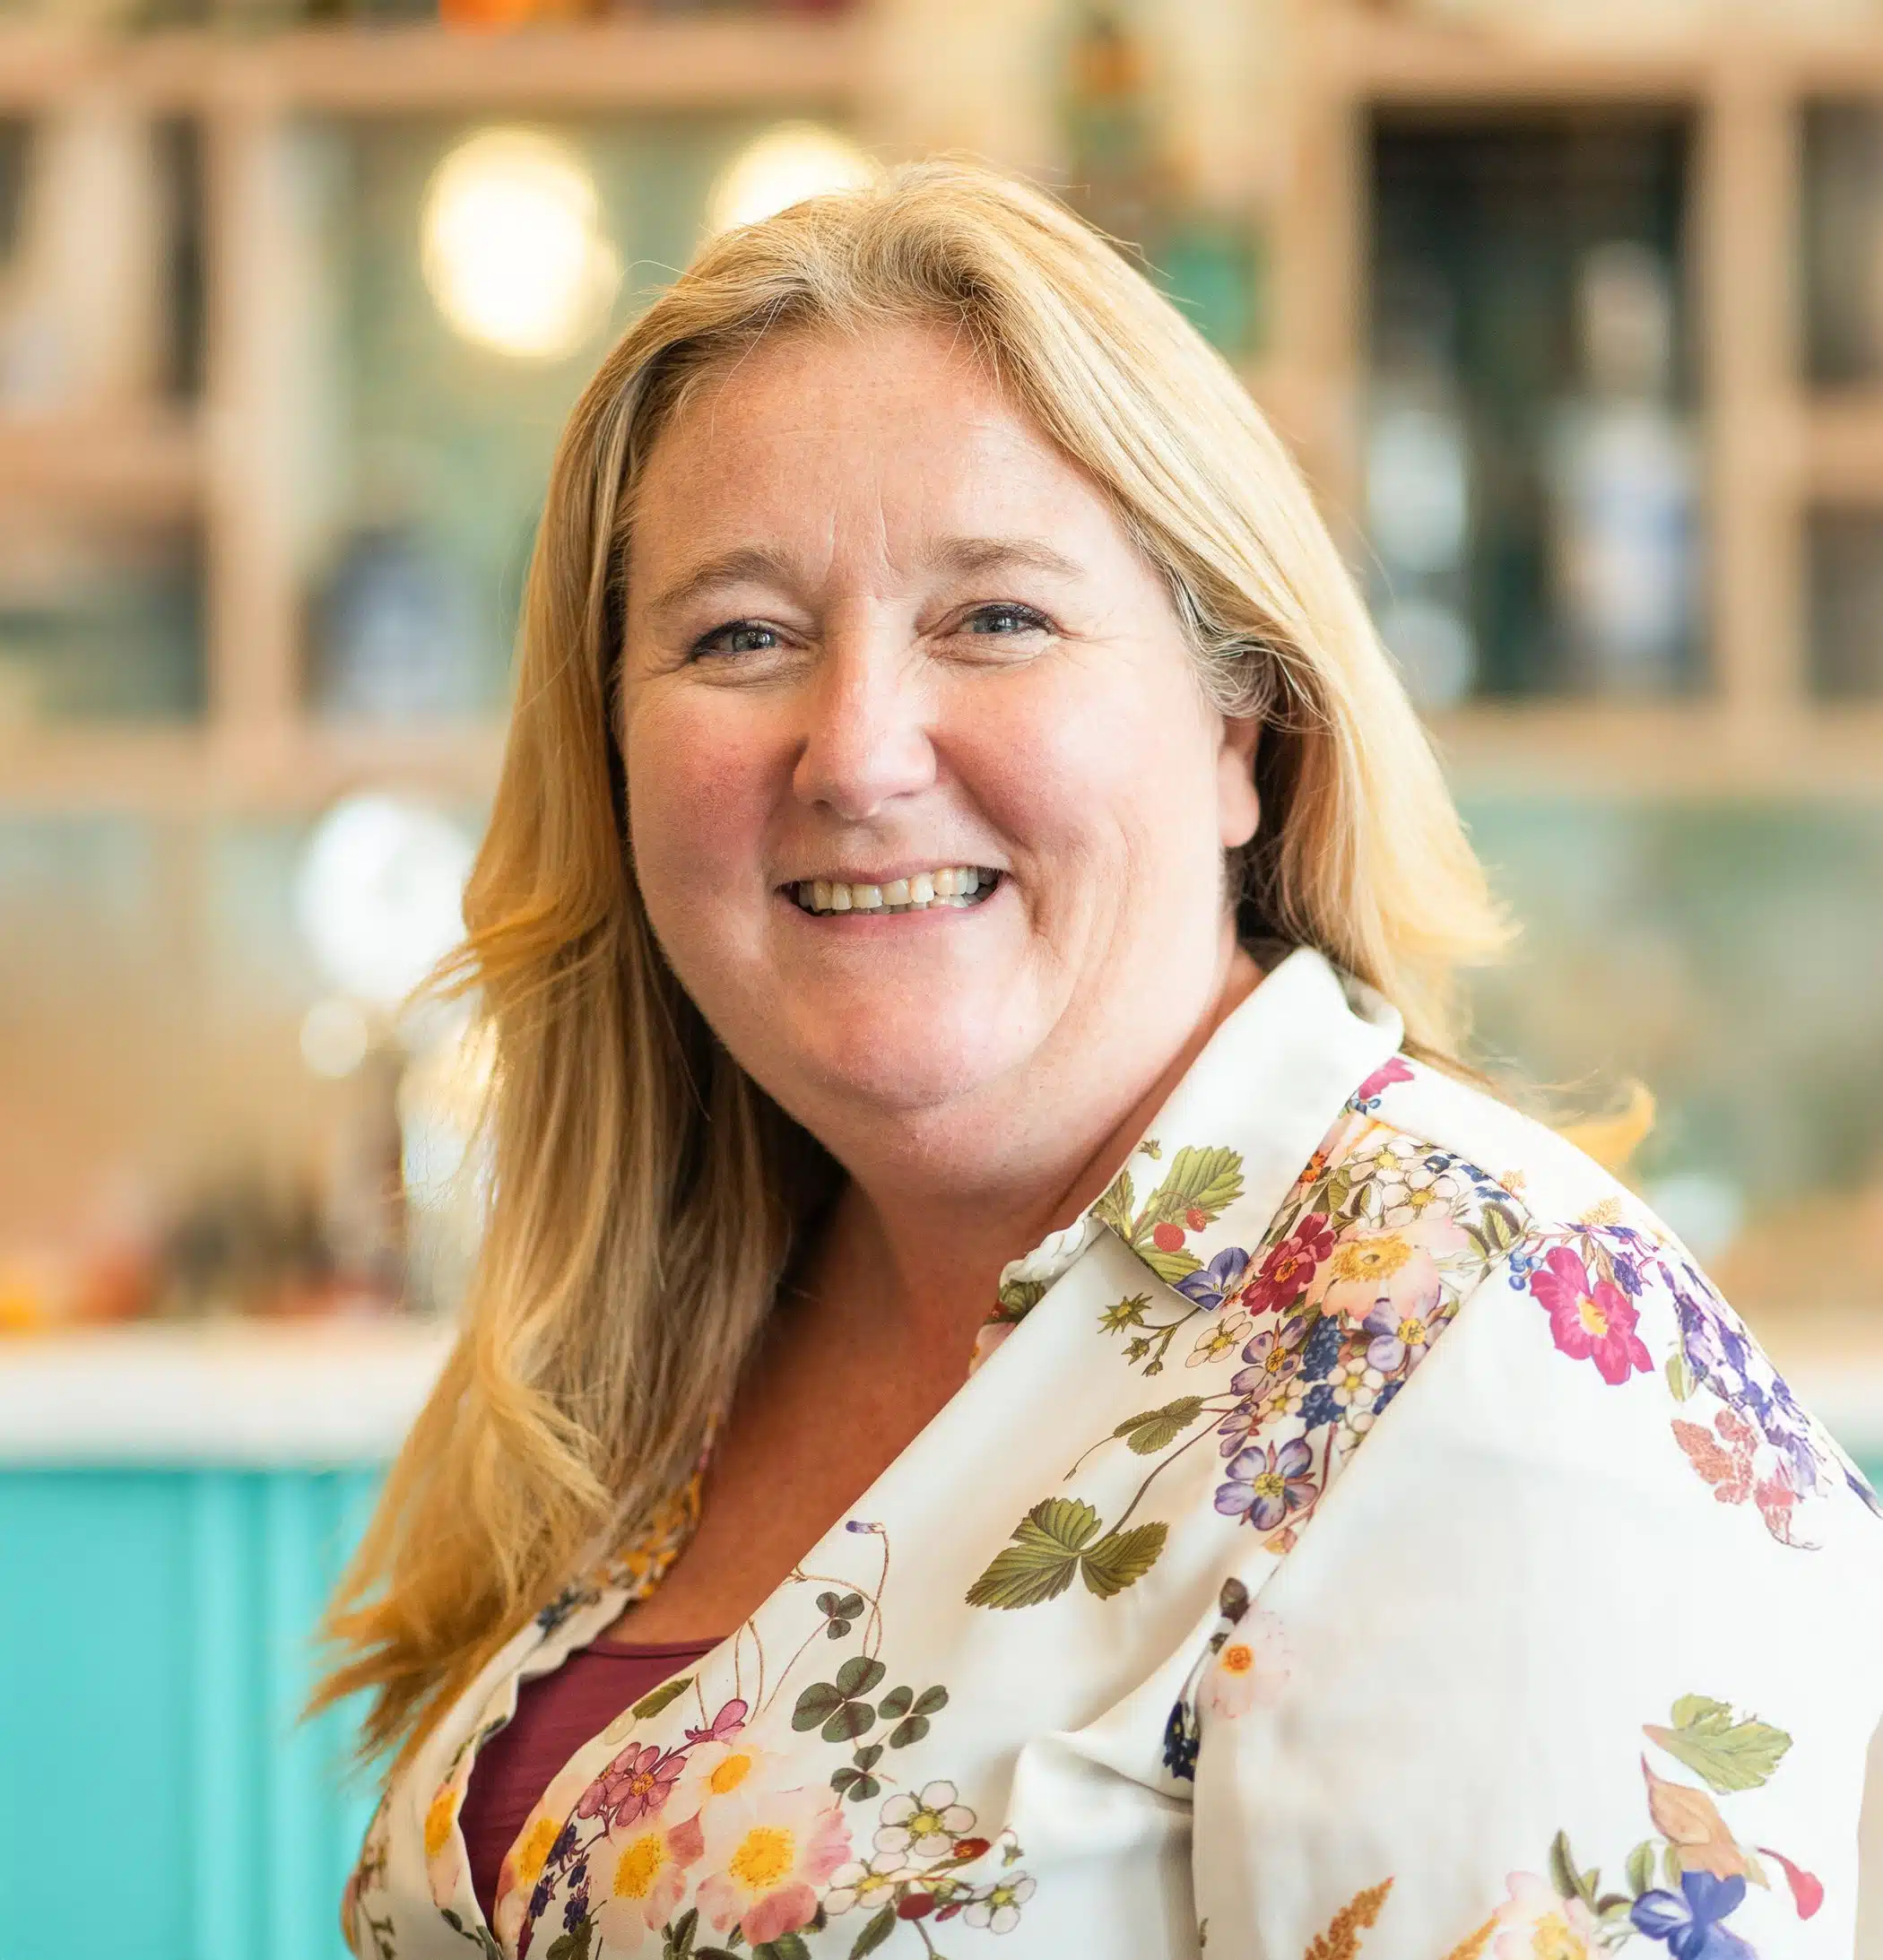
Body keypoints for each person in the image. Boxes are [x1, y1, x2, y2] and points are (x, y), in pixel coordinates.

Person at [318, 161, 1883, 1960]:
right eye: (740, 633)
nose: (859, 749)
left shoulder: (1485, 1352)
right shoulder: (683, 1318)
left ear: (1242, 725)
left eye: (996, 616)